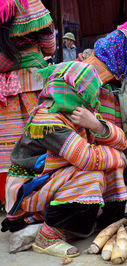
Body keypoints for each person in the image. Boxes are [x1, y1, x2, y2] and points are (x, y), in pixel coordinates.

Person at [1, 61, 127, 257]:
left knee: (110, 168)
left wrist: (97, 126)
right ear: (75, 91)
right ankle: (47, 237)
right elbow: (86, 158)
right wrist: (118, 157)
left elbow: (122, 141)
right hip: (28, 189)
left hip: (53, 180)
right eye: (90, 95)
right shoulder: (47, 119)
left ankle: (102, 223)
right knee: (91, 173)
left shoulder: (78, 114)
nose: (94, 101)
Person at [0, 0, 56, 201]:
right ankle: (41, 194)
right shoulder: (31, 5)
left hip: (3, 91)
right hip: (33, 83)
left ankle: (8, 197)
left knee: (6, 144)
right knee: (41, 138)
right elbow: (49, 47)